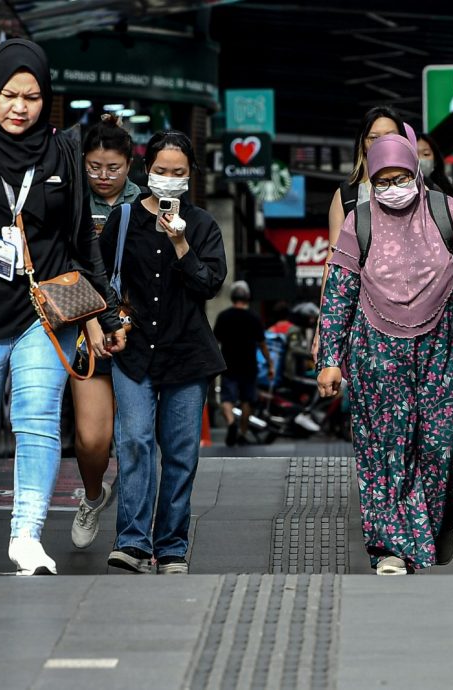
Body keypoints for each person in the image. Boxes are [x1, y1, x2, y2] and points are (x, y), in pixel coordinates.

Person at [0, 39, 125, 576]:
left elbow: (82, 239)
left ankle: (27, 535)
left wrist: (105, 312)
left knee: (36, 420)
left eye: (32, 96)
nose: (20, 106)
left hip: (44, 313)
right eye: (10, 94)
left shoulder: (62, 155)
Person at [316, 125, 453, 575]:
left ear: (417, 175)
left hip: (444, 350)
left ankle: (428, 527)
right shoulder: (358, 221)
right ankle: (390, 548)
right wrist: (329, 360)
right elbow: (339, 294)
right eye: (383, 180)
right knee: (387, 450)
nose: (392, 188)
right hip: (376, 353)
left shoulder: (448, 212)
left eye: (401, 178)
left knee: (440, 448)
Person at [100, 130, 226, 575]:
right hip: (133, 351)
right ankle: (132, 541)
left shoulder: (203, 225)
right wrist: (110, 322)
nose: (168, 179)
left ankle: (171, 546)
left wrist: (180, 244)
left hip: (187, 354)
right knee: (133, 441)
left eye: (177, 173)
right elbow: (102, 279)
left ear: (190, 175)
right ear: (145, 170)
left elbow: (210, 284)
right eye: (160, 171)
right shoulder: (123, 219)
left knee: (180, 452)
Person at [68, 114, 144, 550]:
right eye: (94, 167)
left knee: (137, 439)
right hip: (85, 330)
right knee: (92, 437)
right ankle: (94, 495)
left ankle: (138, 536)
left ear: (129, 166)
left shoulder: (144, 204)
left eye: (112, 168)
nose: (102, 176)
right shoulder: (70, 201)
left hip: (134, 331)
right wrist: (92, 319)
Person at [312, 106, 404, 359]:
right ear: (362, 143)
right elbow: (334, 265)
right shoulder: (347, 195)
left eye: (390, 134)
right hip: (363, 318)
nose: (382, 142)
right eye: (374, 137)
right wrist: (325, 327)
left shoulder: (422, 192)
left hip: (416, 313)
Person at [213, 280, 273, 446]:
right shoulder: (253, 318)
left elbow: (215, 341)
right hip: (248, 366)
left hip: (228, 364)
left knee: (226, 398)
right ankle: (243, 432)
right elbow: (262, 344)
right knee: (247, 400)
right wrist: (270, 364)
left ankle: (231, 422)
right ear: (247, 297)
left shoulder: (223, 316)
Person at [416, 132, 453, 200]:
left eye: (426, 154)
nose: (420, 159)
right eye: (414, 154)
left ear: (435, 161)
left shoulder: (450, 196)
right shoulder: (401, 193)